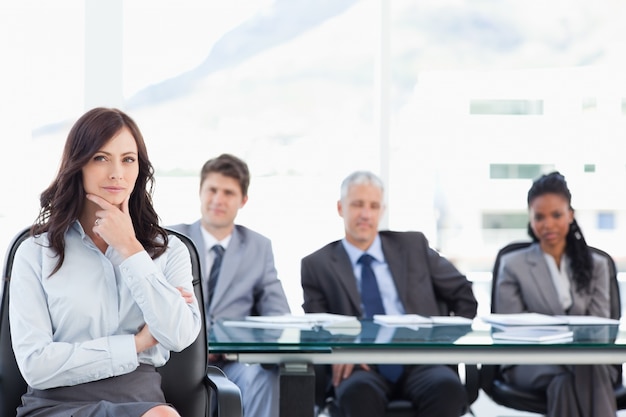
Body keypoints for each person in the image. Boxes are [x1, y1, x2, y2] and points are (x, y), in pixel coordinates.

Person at [8, 107, 202, 417]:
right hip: (55, 405)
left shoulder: (170, 250)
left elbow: (178, 336)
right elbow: (36, 366)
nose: (117, 173)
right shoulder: (35, 252)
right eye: (101, 158)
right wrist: (136, 343)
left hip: (142, 402)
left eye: (128, 159)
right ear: (78, 164)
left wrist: (130, 250)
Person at [300, 170, 477, 417]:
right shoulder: (317, 265)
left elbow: (463, 294)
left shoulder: (413, 246)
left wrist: (446, 342)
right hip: (361, 365)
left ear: (382, 211)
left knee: (447, 388)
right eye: (357, 204)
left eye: (373, 206)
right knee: (357, 393)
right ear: (341, 208)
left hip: (421, 360)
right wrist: (340, 350)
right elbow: (316, 324)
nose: (365, 214)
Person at [169, 153, 290, 417]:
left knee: (265, 379)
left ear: (243, 200)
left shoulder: (259, 247)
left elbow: (278, 318)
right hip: (177, 360)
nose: (218, 200)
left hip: (232, 361)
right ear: (200, 192)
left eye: (228, 192)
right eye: (212, 190)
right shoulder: (171, 240)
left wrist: (229, 345)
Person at [494, 171, 618, 417]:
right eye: (539, 217)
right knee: (578, 374)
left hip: (589, 359)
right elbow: (513, 331)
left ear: (570, 215)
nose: (547, 224)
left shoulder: (597, 264)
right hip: (531, 361)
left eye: (556, 215)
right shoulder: (513, 265)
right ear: (530, 220)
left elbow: (600, 328)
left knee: (570, 378)